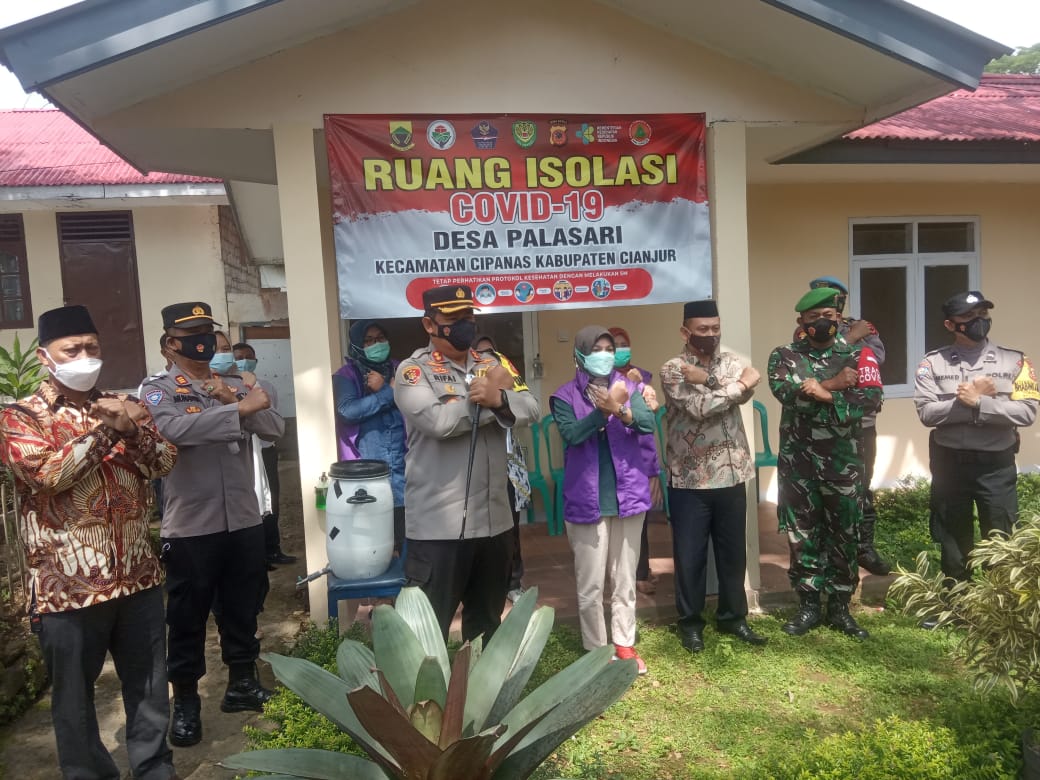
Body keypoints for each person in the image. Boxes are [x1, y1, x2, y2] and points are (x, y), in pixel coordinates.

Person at [0, 305, 179, 780]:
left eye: (92, 347)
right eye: (72, 350)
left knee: (149, 688)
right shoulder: (22, 417)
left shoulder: (124, 405)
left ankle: (154, 769)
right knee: (74, 701)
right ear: (44, 357)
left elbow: (163, 463)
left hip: (137, 578)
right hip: (67, 588)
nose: (85, 357)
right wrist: (108, 430)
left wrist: (132, 429)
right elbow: (47, 476)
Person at [141, 301, 284, 748]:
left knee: (243, 606)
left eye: (209, 334)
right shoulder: (158, 389)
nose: (204, 343)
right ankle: (186, 701)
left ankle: (242, 683)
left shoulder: (234, 385)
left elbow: (274, 427)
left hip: (242, 517)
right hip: (192, 525)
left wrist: (234, 400)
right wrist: (237, 411)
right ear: (171, 343)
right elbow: (172, 431)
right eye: (194, 335)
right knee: (187, 616)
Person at [393, 285, 540, 641]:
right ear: (429, 324)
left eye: (469, 316)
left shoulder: (493, 364)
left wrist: (500, 398)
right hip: (439, 528)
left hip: (495, 523)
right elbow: (439, 423)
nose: (464, 324)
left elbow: (532, 407)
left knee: (487, 626)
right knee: (428, 632)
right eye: (453, 317)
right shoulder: (413, 371)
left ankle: (480, 679)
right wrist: (490, 402)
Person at [768, 286, 883, 640]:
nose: (822, 322)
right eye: (814, 317)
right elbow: (788, 395)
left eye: (828, 316)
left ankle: (840, 608)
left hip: (843, 463)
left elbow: (869, 401)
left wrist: (822, 394)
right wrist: (834, 386)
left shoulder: (859, 354)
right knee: (802, 534)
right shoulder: (784, 356)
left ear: (839, 318)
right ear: (801, 321)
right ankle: (808, 605)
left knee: (844, 535)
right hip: (798, 465)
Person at [659, 300, 767, 653]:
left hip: (733, 474)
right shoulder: (673, 369)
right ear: (685, 332)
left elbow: (747, 391)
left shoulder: (731, 361)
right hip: (691, 479)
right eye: (703, 329)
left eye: (715, 328)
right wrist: (730, 386)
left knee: (733, 555)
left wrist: (710, 380)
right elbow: (700, 408)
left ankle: (733, 618)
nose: (711, 335)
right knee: (690, 557)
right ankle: (690, 623)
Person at [914, 291, 1038, 589]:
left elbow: (1027, 412)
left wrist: (980, 403)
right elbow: (927, 413)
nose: (978, 321)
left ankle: (1000, 604)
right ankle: (957, 603)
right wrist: (966, 401)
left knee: (1001, 540)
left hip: (996, 467)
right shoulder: (932, 363)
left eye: (982, 314)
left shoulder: (1016, 361)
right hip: (950, 467)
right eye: (968, 316)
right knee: (953, 542)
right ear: (950, 324)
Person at [551, 326, 654, 674]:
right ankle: (596, 650)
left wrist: (620, 407)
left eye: (609, 348)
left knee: (625, 578)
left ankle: (624, 643)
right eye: (597, 348)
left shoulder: (630, 386)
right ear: (580, 354)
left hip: (629, 496)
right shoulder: (564, 396)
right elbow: (572, 434)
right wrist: (604, 412)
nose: (605, 354)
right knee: (591, 583)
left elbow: (646, 423)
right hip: (587, 499)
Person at [800, 276, 891, 575]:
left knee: (861, 485)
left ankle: (863, 547)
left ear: (840, 302)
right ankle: (827, 551)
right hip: (821, 424)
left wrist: (850, 341)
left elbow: (875, 359)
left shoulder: (863, 326)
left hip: (860, 423)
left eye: (832, 299)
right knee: (823, 490)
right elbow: (810, 366)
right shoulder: (805, 330)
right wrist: (850, 339)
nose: (825, 305)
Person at [333, 319, 406, 553]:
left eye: (381, 338)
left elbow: (416, 403)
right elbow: (348, 411)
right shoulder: (346, 375)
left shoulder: (402, 369)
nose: (377, 344)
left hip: (405, 463)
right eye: (368, 340)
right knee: (377, 540)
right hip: (368, 469)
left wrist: (385, 389)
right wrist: (388, 394)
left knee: (405, 533)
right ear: (356, 345)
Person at [473, 334, 529, 604]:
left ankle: (514, 582)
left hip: (508, 468)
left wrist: (501, 395)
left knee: (511, 529)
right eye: (481, 354)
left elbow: (527, 409)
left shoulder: (509, 379)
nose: (487, 359)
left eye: (491, 354)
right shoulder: (468, 383)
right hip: (477, 469)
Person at [608, 326, 662, 596]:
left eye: (623, 344)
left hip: (641, 462)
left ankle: (641, 571)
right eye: (613, 346)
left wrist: (652, 471)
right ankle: (630, 576)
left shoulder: (641, 379)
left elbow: (647, 429)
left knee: (641, 519)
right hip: (613, 463)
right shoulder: (601, 382)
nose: (620, 350)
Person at [231, 340, 295, 565]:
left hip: (266, 450)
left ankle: (272, 548)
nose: (245, 361)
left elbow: (273, 420)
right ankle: (256, 555)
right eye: (239, 357)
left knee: (271, 499)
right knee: (251, 501)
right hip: (244, 453)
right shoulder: (227, 388)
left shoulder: (267, 386)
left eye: (249, 357)